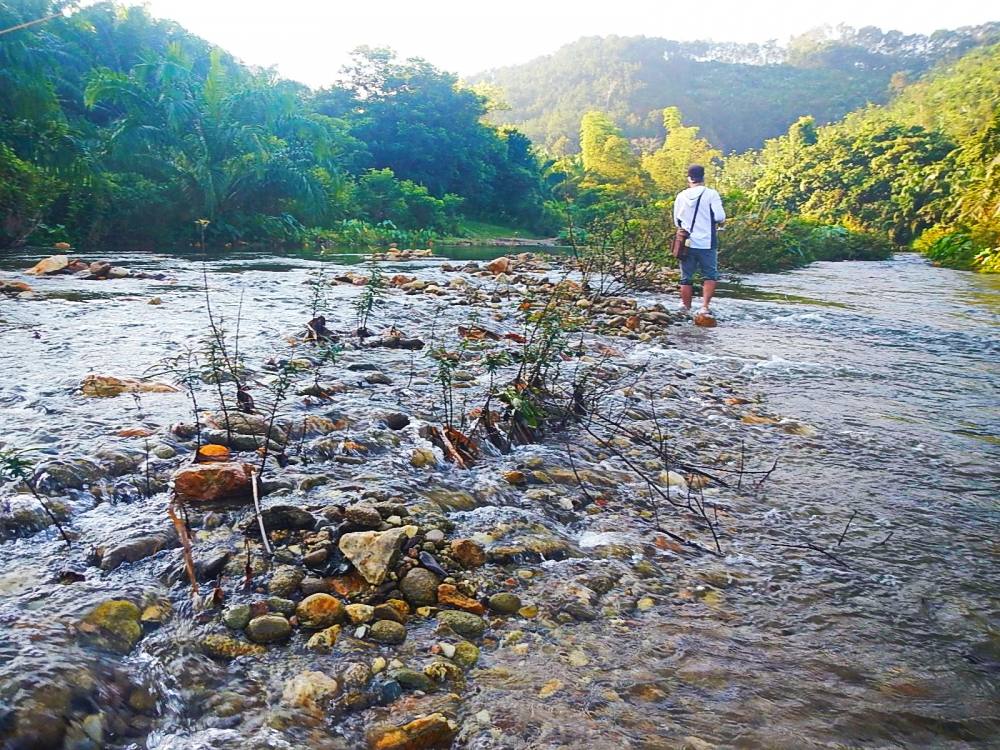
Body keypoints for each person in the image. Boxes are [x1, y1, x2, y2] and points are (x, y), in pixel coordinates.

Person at [673, 164, 725, 316]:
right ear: (703, 177)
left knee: (686, 276)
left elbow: (677, 221)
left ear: (689, 178)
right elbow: (720, 216)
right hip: (707, 242)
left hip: (686, 243)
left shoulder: (681, 196)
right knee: (709, 274)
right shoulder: (711, 194)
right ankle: (704, 307)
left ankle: (686, 308)